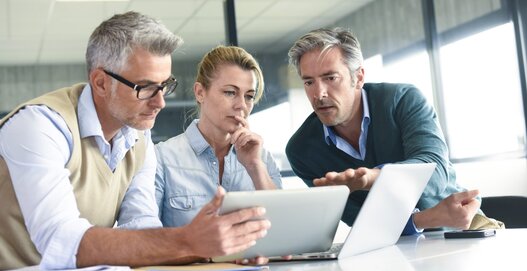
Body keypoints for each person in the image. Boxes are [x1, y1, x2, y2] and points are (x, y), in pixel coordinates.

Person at [0, 12, 270, 270]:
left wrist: (224, 249)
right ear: (101, 83)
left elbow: (142, 226)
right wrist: (188, 240)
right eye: (146, 87)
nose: (160, 102)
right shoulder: (39, 125)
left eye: (165, 86)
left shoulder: (138, 136)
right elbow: (63, 242)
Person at [285, 27, 499, 233]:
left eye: (330, 78)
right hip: (389, 246)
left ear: (358, 77)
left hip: (459, 229)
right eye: (309, 82)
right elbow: (360, 222)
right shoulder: (301, 149)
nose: (319, 93)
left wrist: (373, 178)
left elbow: (435, 172)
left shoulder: (403, 100)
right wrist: (427, 218)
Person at [154, 45, 282, 228]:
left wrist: (255, 167)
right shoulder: (162, 158)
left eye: (249, 96)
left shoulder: (262, 159)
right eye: (230, 92)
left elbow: (281, 228)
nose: (241, 106)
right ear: (200, 92)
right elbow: (148, 237)